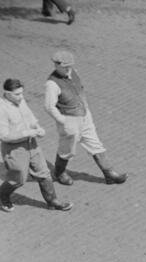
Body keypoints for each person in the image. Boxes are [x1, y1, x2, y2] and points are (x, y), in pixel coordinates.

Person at [44, 50, 127, 186]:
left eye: (69, 66)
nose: (68, 69)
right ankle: (59, 173)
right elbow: (49, 107)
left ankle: (109, 174)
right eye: (65, 67)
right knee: (67, 150)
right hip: (69, 120)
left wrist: (86, 111)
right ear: (56, 65)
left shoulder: (73, 72)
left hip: (84, 116)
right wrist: (62, 121)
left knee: (95, 144)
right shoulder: (52, 84)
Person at [0, 78, 72, 212]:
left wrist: (37, 127)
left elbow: (30, 117)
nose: (21, 97)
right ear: (8, 94)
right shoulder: (1, 109)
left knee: (43, 172)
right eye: (17, 94)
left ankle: (53, 201)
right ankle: (2, 196)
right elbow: (4, 136)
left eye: (22, 93)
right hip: (14, 149)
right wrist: (28, 132)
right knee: (19, 178)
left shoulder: (20, 102)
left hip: (31, 144)